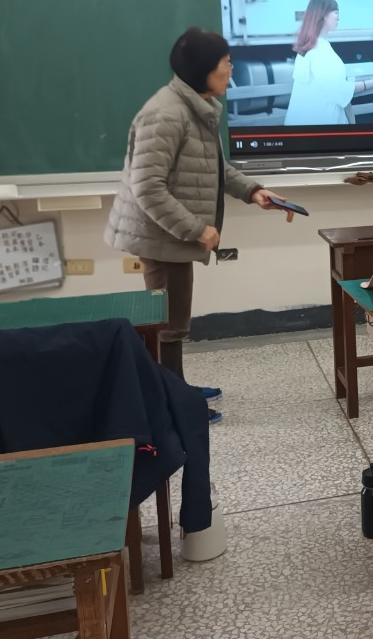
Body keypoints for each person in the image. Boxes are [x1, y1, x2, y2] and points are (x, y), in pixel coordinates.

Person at [105, 27, 295, 422]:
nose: (231, 69)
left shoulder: (196, 106)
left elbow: (214, 168)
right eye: (225, 62)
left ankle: (175, 390)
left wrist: (254, 192)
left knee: (173, 321)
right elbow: (147, 188)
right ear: (203, 69)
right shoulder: (166, 114)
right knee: (167, 326)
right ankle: (171, 405)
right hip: (160, 234)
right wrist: (195, 229)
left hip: (170, 233)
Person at [283, 0, 373, 125]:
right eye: (336, 12)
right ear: (323, 15)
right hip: (322, 121)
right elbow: (339, 90)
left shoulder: (310, 46)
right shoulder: (320, 50)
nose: (338, 17)